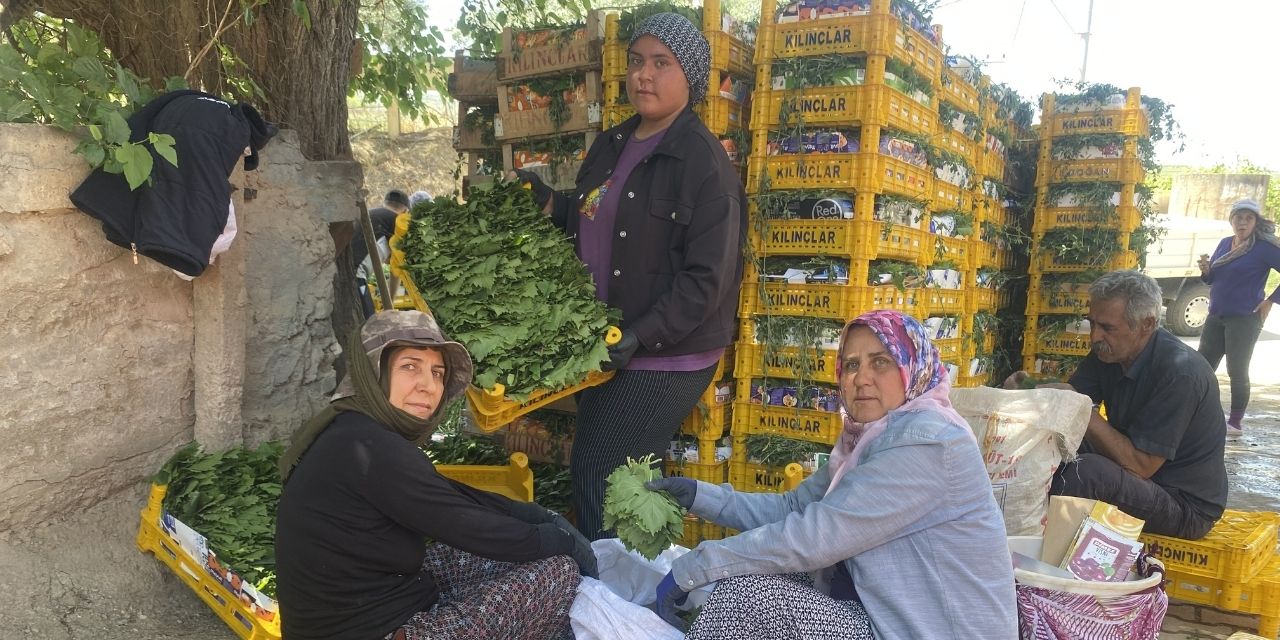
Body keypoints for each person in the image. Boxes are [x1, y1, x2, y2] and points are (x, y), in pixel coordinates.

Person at [513, 13, 745, 540]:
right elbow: (594, 218)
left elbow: (705, 282)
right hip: (612, 342)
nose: (645, 75)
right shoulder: (612, 145)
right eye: (638, 61)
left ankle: (612, 601)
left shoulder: (705, 167)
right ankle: (639, 589)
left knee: (601, 468)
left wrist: (641, 333)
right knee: (625, 475)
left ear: (691, 76)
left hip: (667, 352)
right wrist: (551, 203)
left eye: (662, 64)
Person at [647, 310, 1017, 640]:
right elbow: (794, 508)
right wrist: (699, 495)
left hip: (930, 629)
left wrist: (694, 567)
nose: (862, 378)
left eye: (881, 362)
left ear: (912, 369)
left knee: (748, 598)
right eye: (852, 365)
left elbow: (814, 538)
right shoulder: (870, 439)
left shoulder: (927, 444)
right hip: (881, 613)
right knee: (763, 577)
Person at [274, 310, 597, 640]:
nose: (428, 386)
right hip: (374, 631)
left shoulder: (350, 429)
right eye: (410, 366)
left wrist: (530, 514)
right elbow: (468, 525)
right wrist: (563, 542)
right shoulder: (371, 447)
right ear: (374, 372)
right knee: (557, 571)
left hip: (388, 595)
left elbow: (447, 494)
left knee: (506, 556)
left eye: (438, 372)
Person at [1006, 270, 1227, 539]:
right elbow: (1070, 403)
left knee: (1086, 473)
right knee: (1046, 442)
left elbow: (1141, 465)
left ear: (1146, 324)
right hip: (1139, 474)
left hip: (1182, 504)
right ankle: (1011, 535)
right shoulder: (1108, 351)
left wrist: (1081, 410)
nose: (1095, 336)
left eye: (1107, 328)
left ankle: (1040, 557)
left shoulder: (1180, 373)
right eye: (1093, 324)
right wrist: (1028, 390)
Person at [1196, 198, 1280, 436]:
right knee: (1202, 366)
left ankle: (1234, 423)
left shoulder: (1263, 248)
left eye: (1248, 218)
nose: (1242, 223)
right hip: (1216, 315)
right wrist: (1206, 271)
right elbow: (1213, 279)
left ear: (1256, 222)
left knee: (1237, 370)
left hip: (1244, 318)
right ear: (1231, 220)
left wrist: (1271, 300)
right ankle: (1195, 411)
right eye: (1238, 218)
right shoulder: (1225, 243)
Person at [353, 189, 411, 318]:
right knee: (370, 323)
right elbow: (396, 270)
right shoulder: (398, 223)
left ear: (385, 204)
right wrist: (389, 306)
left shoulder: (372, 215)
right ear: (406, 211)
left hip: (341, 276)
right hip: (355, 276)